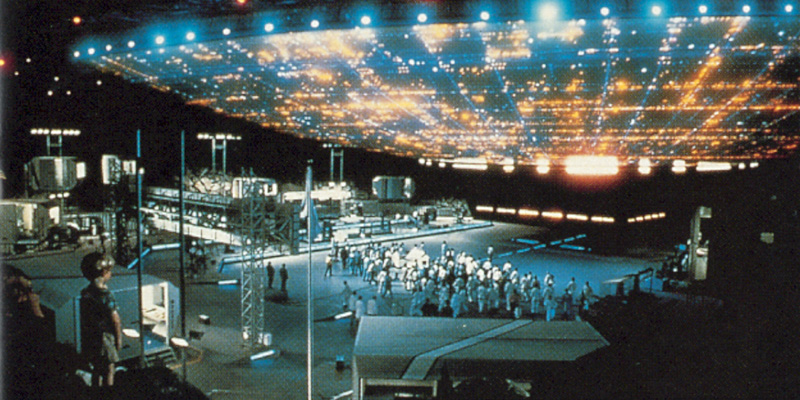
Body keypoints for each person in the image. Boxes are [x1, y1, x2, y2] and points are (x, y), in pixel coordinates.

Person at [80, 252, 122, 387]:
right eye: (109, 271)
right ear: (103, 272)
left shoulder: (86, 292)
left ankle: (96, 392)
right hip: (105, 336)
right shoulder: (106, 295)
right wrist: (118, 339)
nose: (111, 274)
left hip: (91, 335)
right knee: (109, 369)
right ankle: (108, 393)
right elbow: (115, 320)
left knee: (96, 369)